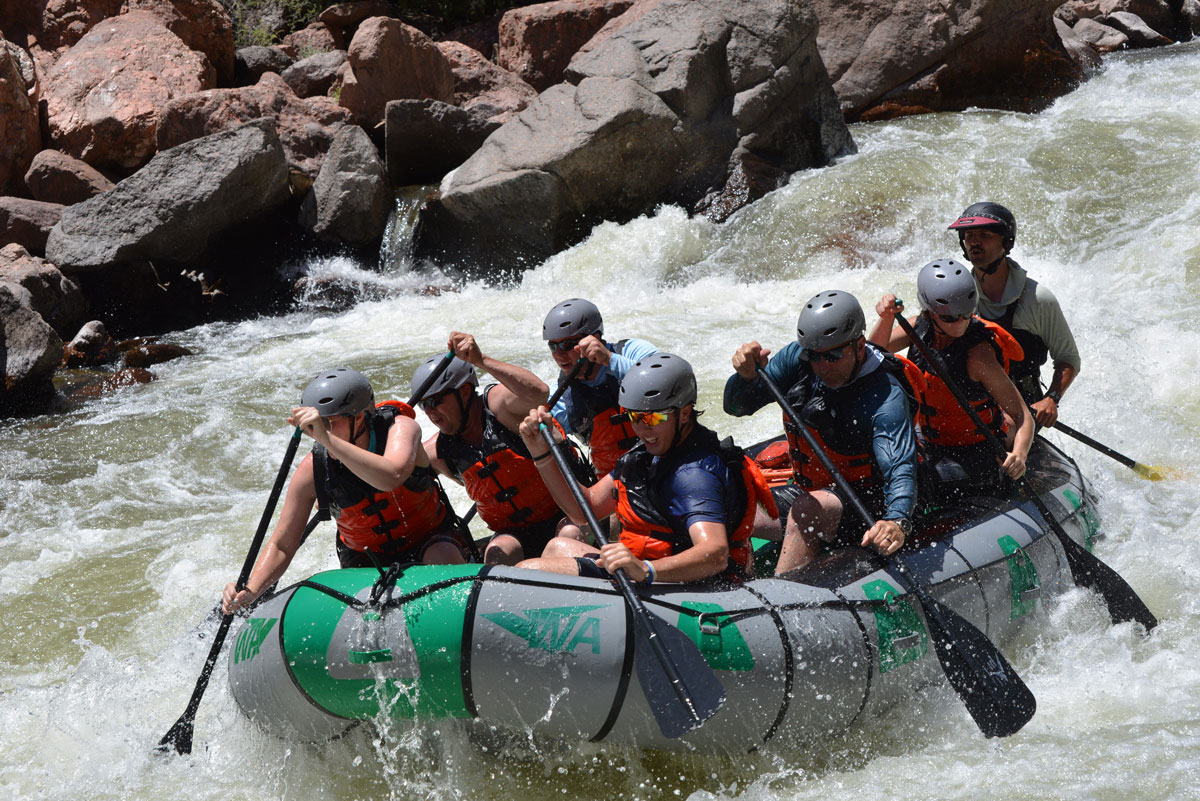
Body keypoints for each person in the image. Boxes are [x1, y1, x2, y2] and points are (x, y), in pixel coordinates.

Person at [222, 367, 468, 614]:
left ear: (359, 417)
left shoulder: (400, 428)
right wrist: (251, 591)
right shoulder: (313, 469)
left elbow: (391, 476)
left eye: (328, 423)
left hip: (431, 541)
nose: (319, 433)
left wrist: (329, 441)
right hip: (365, 562)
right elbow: (283, 545)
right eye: (315, 426)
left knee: (442, 554)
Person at [516, 353, 777, 585]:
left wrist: (644, 569)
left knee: (526, 572)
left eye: (652, 418)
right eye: (634, 417)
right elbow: (588, 508)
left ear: (684, 413)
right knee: (556, 546)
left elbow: (715, 554)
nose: (641, 429)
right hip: (645, 570)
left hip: (685, 586)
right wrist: (540, 452)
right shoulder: (649, 454)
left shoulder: (695, 474)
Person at [724, 290, 919, 574]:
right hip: (814, 491)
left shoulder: (884, 397)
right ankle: (739, 585)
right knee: (731, 497)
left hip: (868, 504)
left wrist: (896, 521)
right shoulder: (798, 359)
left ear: (860, 346)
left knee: (806, 510)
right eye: (815, 356)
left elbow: (900, 468)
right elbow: (737, 407)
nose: (821, 366)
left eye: (833, 356)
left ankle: (782, 603)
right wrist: (745, 377)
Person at [869, 259, 1034, 496]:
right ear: (930, 312)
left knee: (915, 480)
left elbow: (1022, 414)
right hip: (930, 441)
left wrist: (1019, 455)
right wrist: (886, 318)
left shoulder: (979, 357)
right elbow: (872, 355)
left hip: (976, 450)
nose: (960, 323)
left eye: (966, 314)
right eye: (949, 318)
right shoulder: (918, 327)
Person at [419, 332, 580, 566]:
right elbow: (394, 471)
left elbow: (539, 393)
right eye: (424, 404)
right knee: (497, 553)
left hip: (568, 514)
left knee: (567, 538)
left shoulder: (498, 407)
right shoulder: (437, 452)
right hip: (515, 533)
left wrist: (480, 360)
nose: (430, 412)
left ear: (464, 392)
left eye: (435, 401)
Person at [948, 202, 1081, 427]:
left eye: (985, 235)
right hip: (973, 404)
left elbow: (1068, 360)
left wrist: (1051, 399)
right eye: (969, 235)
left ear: (1007, 242)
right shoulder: (957, 294)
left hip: (1023, 409)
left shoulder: (1038, 299)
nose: (974, 242)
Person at [543, 298, 658, 476]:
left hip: (660, 462)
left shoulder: (634, 351)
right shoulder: (561, 398)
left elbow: (663, 383)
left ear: (594, 338)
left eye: (567, 344)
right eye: (553, 346)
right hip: (614, 483)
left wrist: (609, 360)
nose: (559, 354)